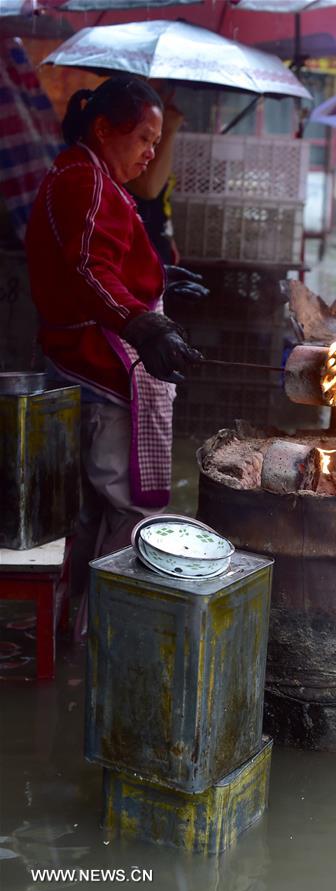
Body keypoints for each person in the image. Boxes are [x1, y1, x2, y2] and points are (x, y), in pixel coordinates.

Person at [25, 76, 205, 633]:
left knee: (90, 509)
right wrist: (141, 320)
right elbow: (85, 270)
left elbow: (104, 261)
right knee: (126, 509)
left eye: (156, 139)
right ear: (104, 129)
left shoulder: (87, 174)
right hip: (99, 367)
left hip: (83, 361)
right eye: (144, 138)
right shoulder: (85, 180)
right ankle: (102, 634)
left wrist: (153, 281)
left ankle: (71, 624)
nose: (152, 151)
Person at [127, 86, 184, 265]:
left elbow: (161, 196)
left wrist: (169, 237)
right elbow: (149, 189)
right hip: (139, 245)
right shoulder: (131, 141)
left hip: (158, 239)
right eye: (162, 89)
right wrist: (169, 128)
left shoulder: (156, 141)